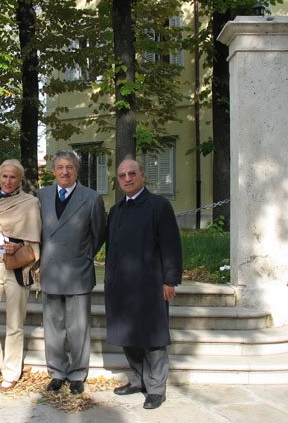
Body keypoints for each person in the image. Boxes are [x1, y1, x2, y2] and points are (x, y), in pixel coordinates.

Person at [105, 158, 182, 410]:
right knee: (127, 336)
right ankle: (138, 380)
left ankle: (156, 389)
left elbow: (171, 245)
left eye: (132, 174)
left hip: (150, 285)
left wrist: (170, 279)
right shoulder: (116, 210)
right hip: (121, 285)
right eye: (122, 175)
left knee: (153, 338)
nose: (127, 179)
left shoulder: (159, 206)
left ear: (143, 176)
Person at [37, 149, 106, 395]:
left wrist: (85, 256)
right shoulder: (42, 196)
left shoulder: (92, 198)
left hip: (78, 270)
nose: (64, 172)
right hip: (50, 270)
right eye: (60, 167)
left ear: (77, 170)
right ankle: (57, 371)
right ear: (53, 170)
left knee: (78, 328)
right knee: (53, 327)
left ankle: (77, 373)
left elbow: (99, 234)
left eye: (69, 167)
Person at [0, 159, 42, 391]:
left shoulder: (30, 203)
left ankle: (11, 371)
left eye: (13, 177)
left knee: (15, 324)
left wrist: (20, 246)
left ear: (20, 179)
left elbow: (35, 238)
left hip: (17, 268)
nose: (7, 180)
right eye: (4, 176)